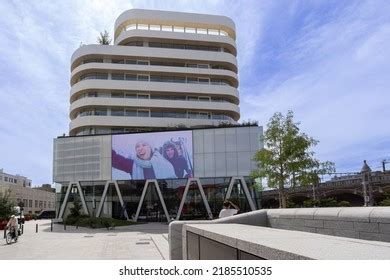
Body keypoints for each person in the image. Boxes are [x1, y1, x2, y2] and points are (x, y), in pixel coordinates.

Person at [112, 140, 176, 179]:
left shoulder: (164, 163)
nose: (140, 148)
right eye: (137, 146)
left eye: (144, 145)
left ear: (151, 148)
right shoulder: (132, 165)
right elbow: (113, 159)